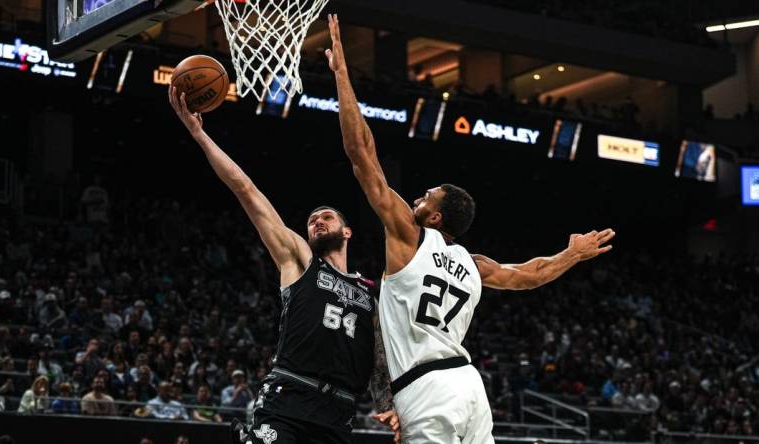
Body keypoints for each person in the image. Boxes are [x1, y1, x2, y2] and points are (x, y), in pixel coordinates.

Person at [325, 14, 615, 444]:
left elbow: (361, 152)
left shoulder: (409, 235)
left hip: (426, 390)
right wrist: (572, 254)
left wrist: (342, 76)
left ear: (435, 218)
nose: (417, 199)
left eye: (425, 198)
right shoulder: (474, 265)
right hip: (469, 387)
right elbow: (531, 275)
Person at [169, 85, 399, 443]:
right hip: (289, 397)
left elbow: (380, 353)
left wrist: (386, 401)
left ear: (348, 232)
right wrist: (200, 135)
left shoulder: (370, 290)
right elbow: (246, 189)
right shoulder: (301, 261)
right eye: (312, 221)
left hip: (339, 411)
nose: (318, 222)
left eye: (326, 217)